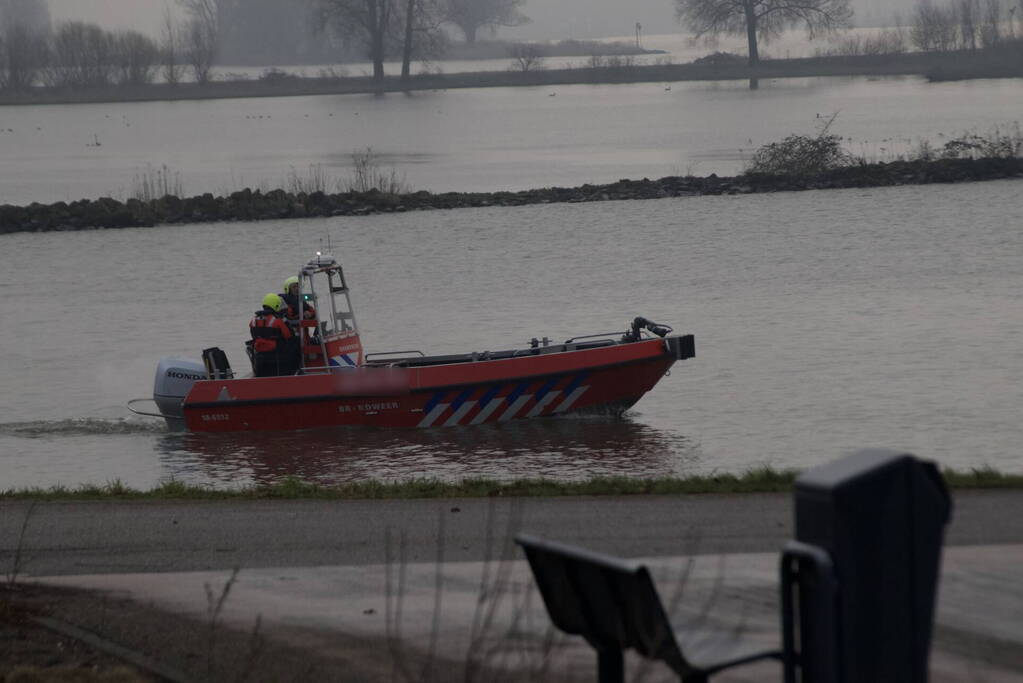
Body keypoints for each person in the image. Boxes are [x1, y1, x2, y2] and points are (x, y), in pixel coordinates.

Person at [249, 293, 298, 377]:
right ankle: (296, 370)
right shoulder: (277, 320)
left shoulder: (253, 320)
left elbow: (253, 335)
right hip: (278, 355)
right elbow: (289, 336)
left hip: (260, 355)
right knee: (296, 342)